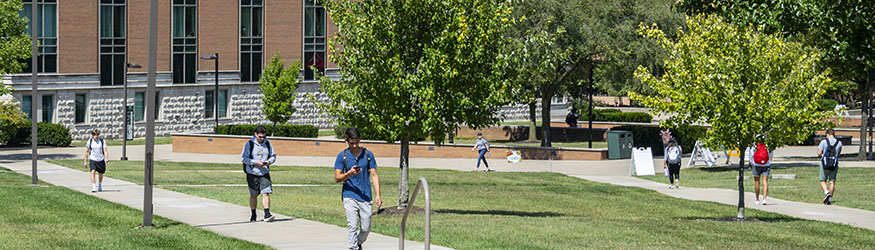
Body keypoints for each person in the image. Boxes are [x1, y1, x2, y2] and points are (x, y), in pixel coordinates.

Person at [334, 127, 382, 250]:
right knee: (352, 226)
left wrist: (378, 195)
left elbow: (374, 175)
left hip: (365, 196)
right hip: (349, 195)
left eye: (356, 142)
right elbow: (337, 178)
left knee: (366, 229)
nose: (354, 146)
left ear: (359, 140)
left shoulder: (368, 155)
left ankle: (358, 243)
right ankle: (353, 247)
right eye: (352, 143)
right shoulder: (342, 156)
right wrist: (349, 173)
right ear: (346, 140)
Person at [241, 125, 277, 222]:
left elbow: (273, 156)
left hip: (264, 172)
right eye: (260, 137)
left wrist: (269, 162)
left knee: (265, 193)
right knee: (253, 195)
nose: (262, 139)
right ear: (255, 134)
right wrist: (256, 162)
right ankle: (253, 214)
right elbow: (244, 159)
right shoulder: (249, 144)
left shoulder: (268, 144)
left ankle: (267, 214)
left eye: (264, 137)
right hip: (252, 173)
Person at [817, 128, 842, 205]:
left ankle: (826, 192)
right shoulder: (839, 142)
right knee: (832, 181)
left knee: (822, 180)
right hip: (834, 164)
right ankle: (830, 199)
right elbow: (839, 153)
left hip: (824, 164)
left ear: (827, 134)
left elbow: (819, 153)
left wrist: (822, 154)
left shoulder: (824, 141)